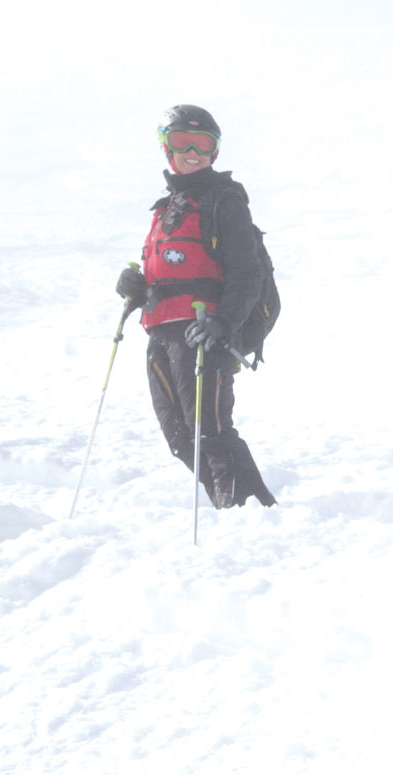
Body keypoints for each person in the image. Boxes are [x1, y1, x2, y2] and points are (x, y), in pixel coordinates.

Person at [116, 104, 275, 509]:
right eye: (181, 142)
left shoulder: (225, 202)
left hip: (205, 330)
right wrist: (135, 288)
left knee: (211, 430)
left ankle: (251, 513)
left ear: (215, 152)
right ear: (165, 147)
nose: (192, 151)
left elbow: (247, 273)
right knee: (179, 438)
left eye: (203, 143)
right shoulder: (166, 207)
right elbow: (171, 273)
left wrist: (224, 323)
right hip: (161, 332)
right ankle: (235, 508)